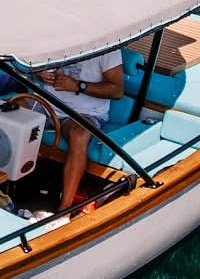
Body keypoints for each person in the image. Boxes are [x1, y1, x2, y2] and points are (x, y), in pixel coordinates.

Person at [25, 51, 126, 211]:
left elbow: (117, 90)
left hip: (84, 113)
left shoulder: (108, 46)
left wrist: (78, 86)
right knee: (4, 109)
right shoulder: (59, 32)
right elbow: (30, 65)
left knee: (79, 135)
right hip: (45, 102)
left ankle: (64, 210)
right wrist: (40, 73)